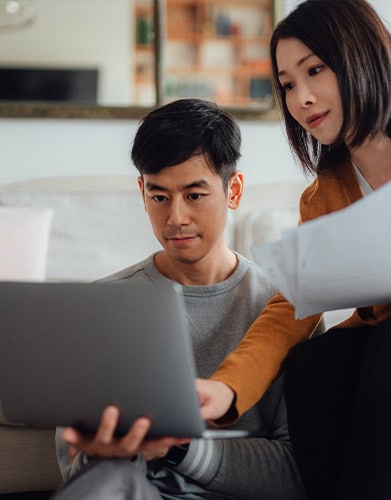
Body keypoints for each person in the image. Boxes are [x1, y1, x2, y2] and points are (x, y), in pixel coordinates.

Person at [197, 0, 391, 498]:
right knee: (317, 360)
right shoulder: (326, 192)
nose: (302, 98)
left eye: (315, 70)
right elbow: (290, 308)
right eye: (289, 84)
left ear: (361, 56)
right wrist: (227, 388)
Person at [53, 98, 308, 500]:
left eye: (194, 195)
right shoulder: (103, 304)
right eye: (159, 197)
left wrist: (178, 448)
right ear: (142, 191)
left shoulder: (288, 308)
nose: (175, 218)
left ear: (233, 190)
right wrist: (102, 455)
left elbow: (298, 471)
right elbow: (73, 468)